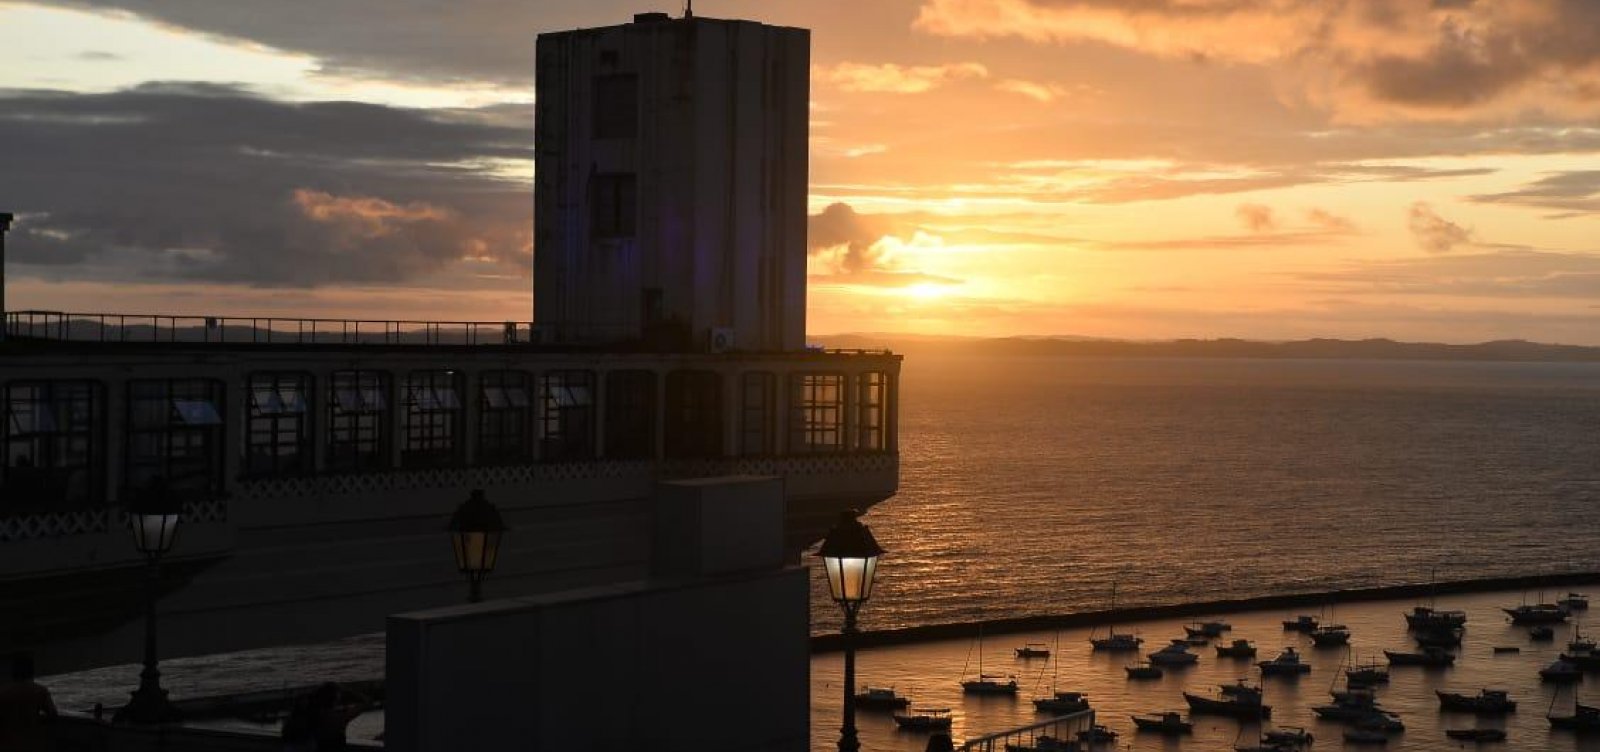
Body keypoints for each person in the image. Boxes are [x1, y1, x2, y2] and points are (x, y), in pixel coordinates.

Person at [282, 683, 369, 752]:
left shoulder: (312, 716)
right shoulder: (340, 717)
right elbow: (366, 702)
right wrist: (349, 691)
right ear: (336, 699)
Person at [0, 653, 58, 752]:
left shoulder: (3, 692)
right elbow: (52, 714)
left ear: (14, 671)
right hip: (33, 744)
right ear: (31, 671)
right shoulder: (40, 690)